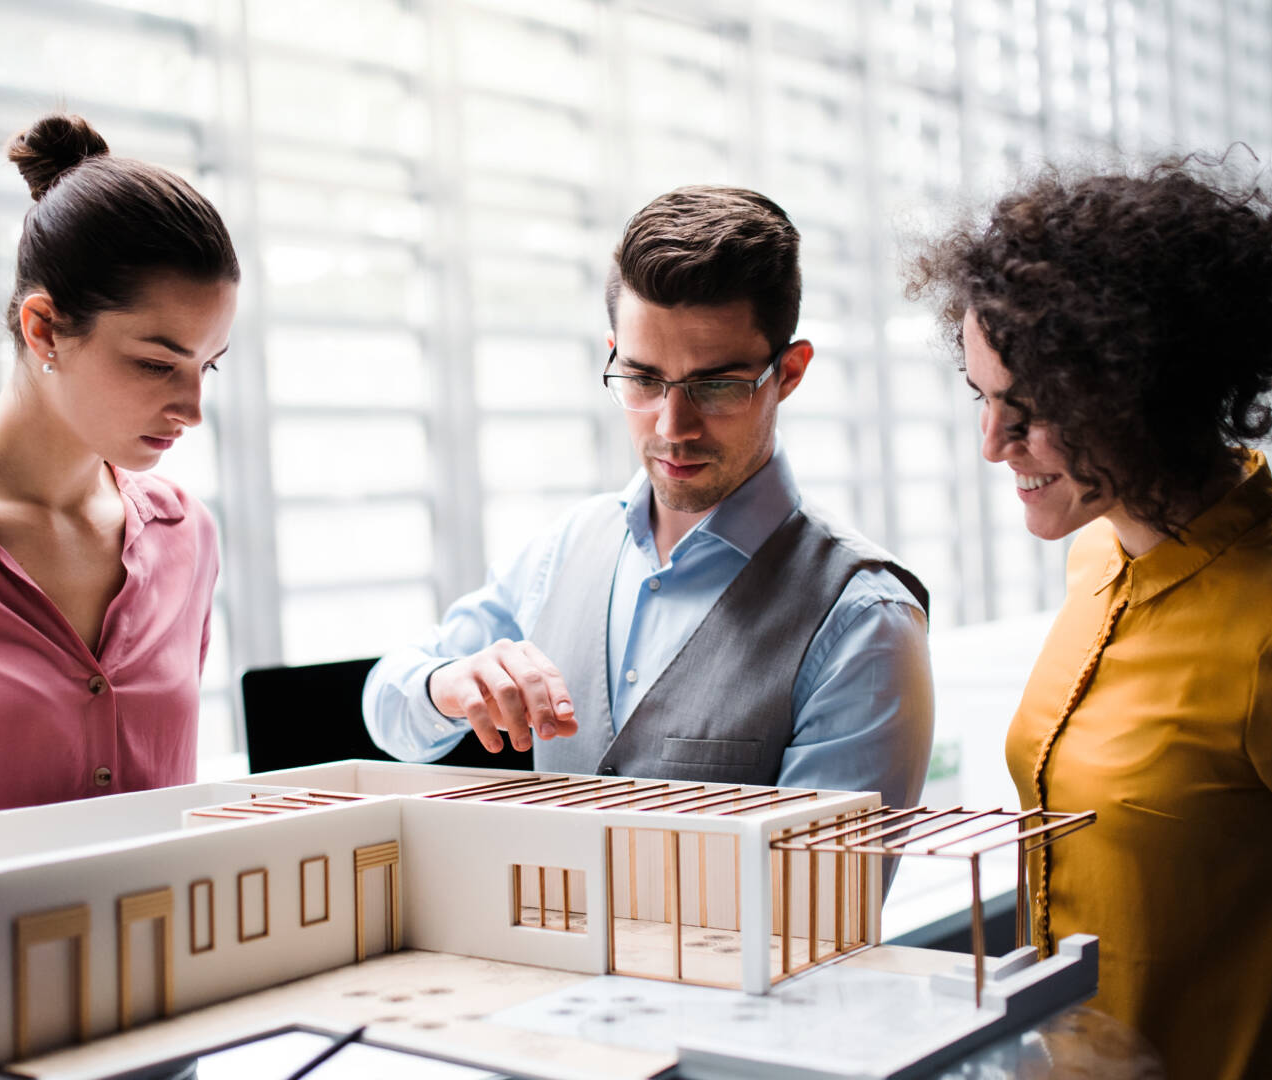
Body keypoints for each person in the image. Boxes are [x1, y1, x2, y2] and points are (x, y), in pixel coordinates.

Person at [908, 157, 1272, 1079]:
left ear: (1139, 389)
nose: (991, 446)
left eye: (1028, 411)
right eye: (981, 398)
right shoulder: (1097, 560)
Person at [366, 185, 933, 808]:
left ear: (790, 373)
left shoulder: (865, 622)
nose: (672, 428)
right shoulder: (565, 548)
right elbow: (387, 705)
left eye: (714, 386)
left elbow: (819, 901)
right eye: (641, 378)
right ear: (614, 355)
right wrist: (446, 685)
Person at [0, 113, 238, 826]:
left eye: (206, 365)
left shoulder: (187, 537)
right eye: (156, 363)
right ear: (44, 330)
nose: (191, 407)